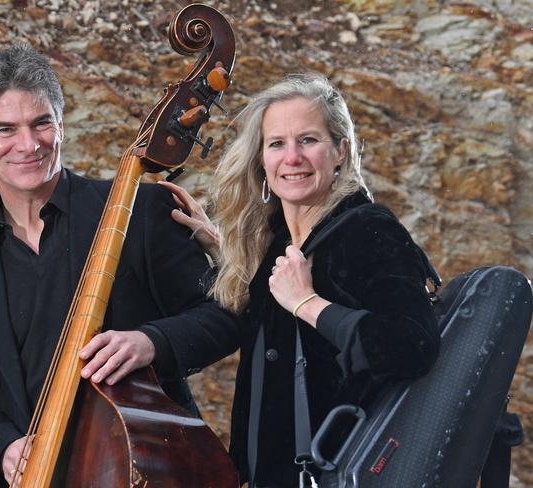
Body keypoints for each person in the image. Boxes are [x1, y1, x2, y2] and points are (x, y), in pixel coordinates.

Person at [0, 44, 239, 488]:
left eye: (41, 123)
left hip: (150, 471)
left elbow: (224, 315)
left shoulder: (142, 211)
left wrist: (151, 342)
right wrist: (0, 448)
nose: (29, 144)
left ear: (61, 124)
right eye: (5, 129)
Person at [160, 73, 440, 487]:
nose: (292, 158)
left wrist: (309, 304)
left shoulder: (369, 232)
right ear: (261, 160)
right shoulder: (283, 241)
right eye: (277, 144)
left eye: (308, 140)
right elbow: (275, 322)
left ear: (340, 151)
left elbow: (411, 345)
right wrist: (224, 251)